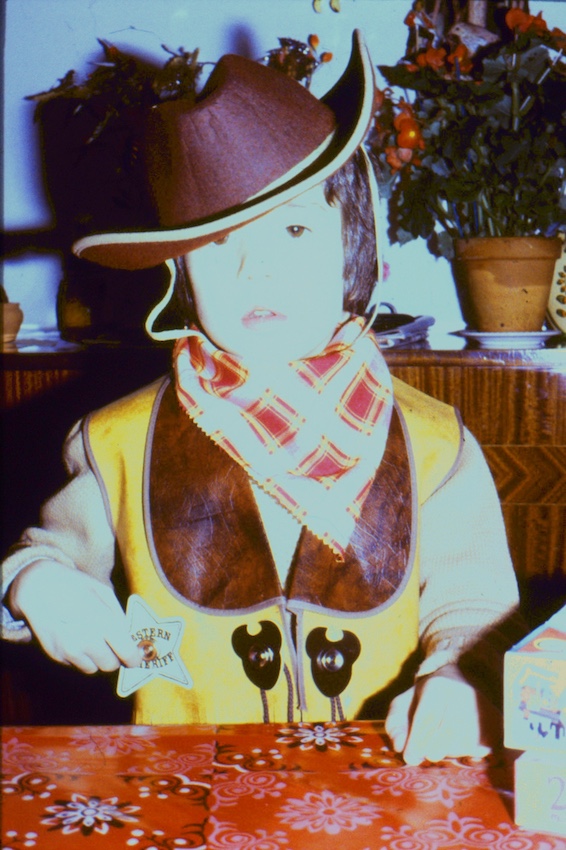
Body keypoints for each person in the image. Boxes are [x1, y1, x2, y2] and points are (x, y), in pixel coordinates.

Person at [1, 31, 522, 764]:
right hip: (185, 789)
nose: (256, 269)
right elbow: (46, 554)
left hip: (383, 789)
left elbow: (477, 607)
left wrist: (461, 674)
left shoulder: (436, 446)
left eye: (297, 227)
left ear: (353, 245)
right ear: (179, 270)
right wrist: (35, 582)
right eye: (217, 242)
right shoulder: (115, 441)